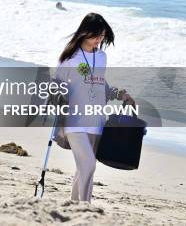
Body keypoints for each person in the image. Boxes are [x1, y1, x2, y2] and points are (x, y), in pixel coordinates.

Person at [54, 13, 135, 203]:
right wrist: (57, 92)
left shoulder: (101, 57)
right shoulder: (70, 58)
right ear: (85, 32)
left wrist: (119, 94)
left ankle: (74, 206)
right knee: (89, 165)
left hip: (96, 120)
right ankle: (85, 207)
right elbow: (56, 82)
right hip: (74, 120)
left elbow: (100, 84)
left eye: (102, 36)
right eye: (96, 35)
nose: (100, 39)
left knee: (83, 167)